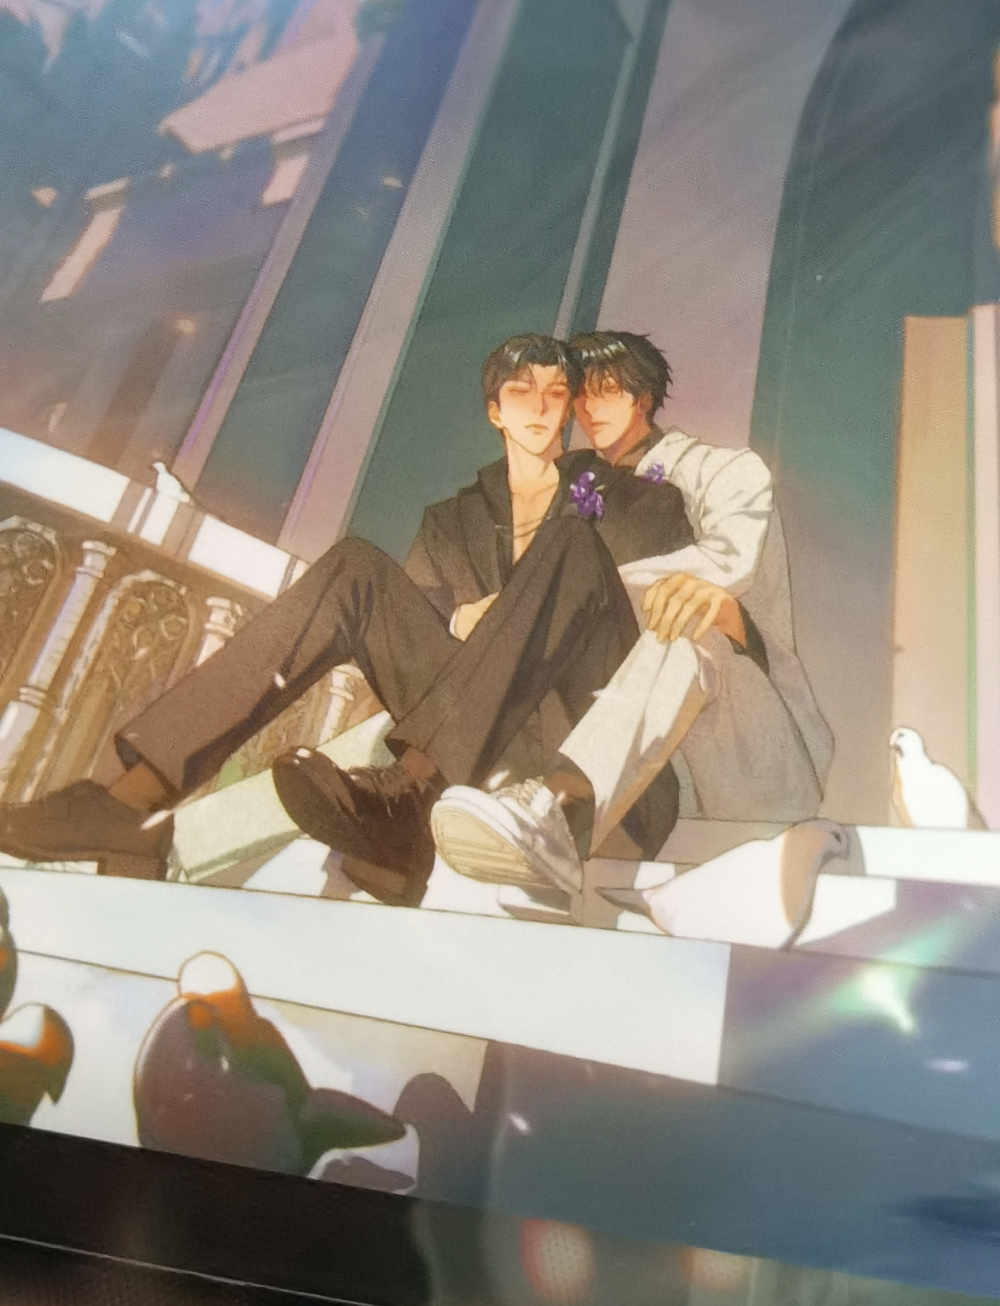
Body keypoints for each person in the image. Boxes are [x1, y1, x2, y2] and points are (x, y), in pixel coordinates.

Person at [0, 336, 693, 902]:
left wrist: (539, 583)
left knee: (571, 545)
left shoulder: (633, 497)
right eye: (522, 392)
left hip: (584, 745)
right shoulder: (451, 522)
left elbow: (647, 608)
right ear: (495, 411)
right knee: (355, 568)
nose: (541, 407)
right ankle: (128, 804)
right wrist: (458, 622)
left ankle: (409, 800)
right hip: (480, 747)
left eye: (556, 394)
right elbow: (415, 649)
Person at [430, 331, 833, 894]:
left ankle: (560, 811)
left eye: (608, 391)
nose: (589, 408)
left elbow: (730, 560)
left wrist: (574, 586)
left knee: (686, 628)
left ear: (642, 397)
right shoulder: (576, 484)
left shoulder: (723, 469)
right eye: (580, 395)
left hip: (739, 731)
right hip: (627, 731)